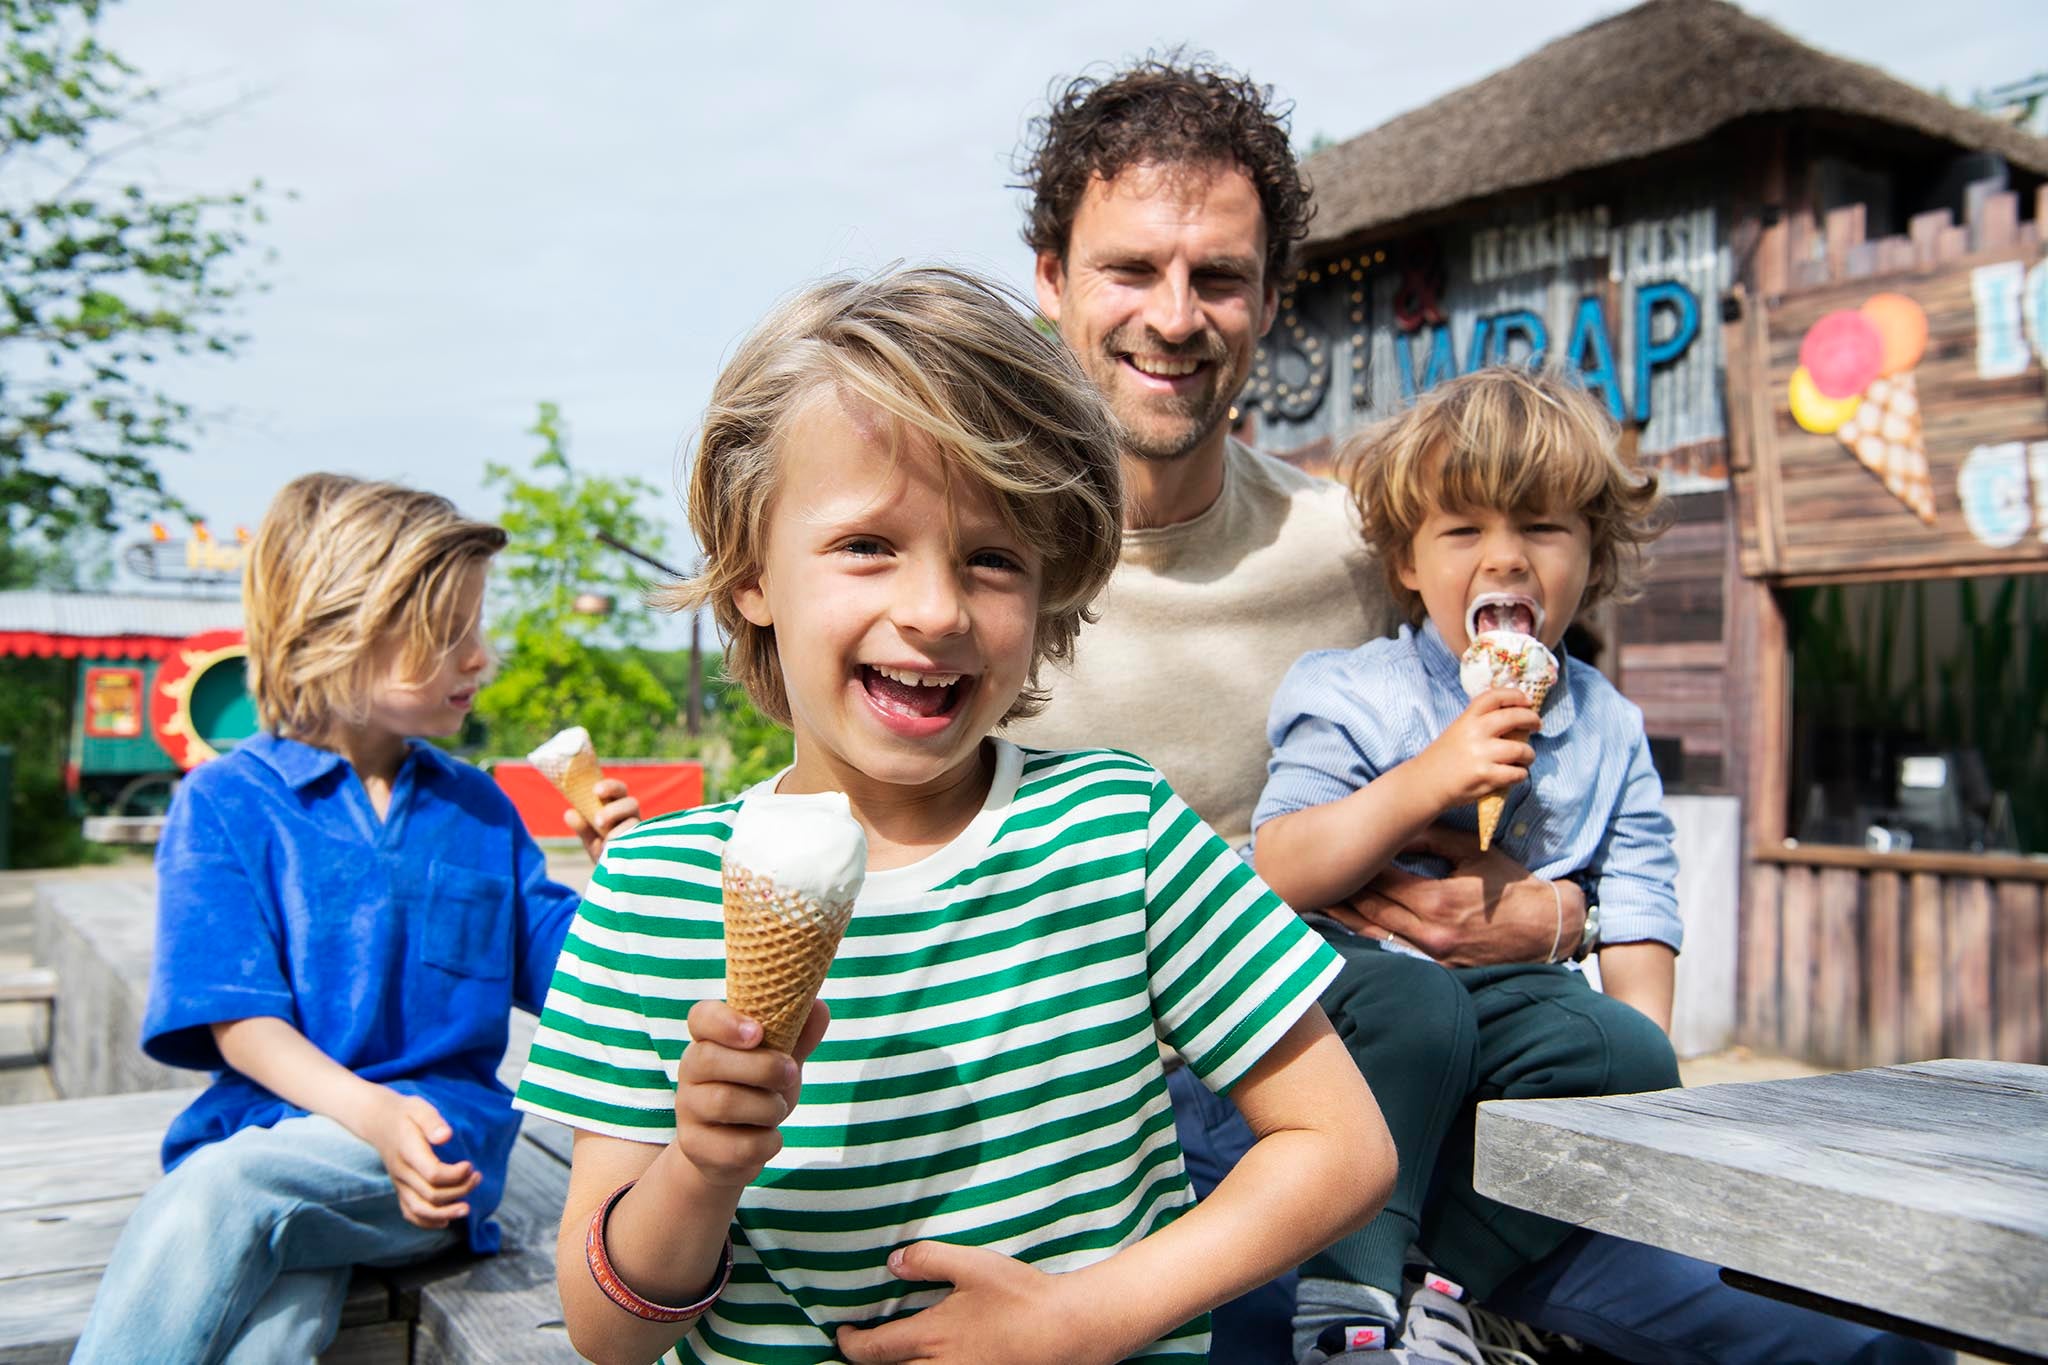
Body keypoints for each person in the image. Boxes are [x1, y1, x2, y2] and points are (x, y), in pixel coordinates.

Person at [1006, 54, 1950, 1365]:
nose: (1176, 316)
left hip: (1436, 1067)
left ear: (1272, 300)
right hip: (1154, 1111)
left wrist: (1548, 912)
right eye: (1131, 268)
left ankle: (1445, 1291)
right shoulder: (975, 565)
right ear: (1050, 278)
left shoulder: (1367, 540)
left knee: (1872, 1342)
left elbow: (1573, 752)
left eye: (1218, 276)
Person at [512, 265, 1395, 1365]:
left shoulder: (1118, 834)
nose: (932, 611)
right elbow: (604, 1332)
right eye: (866, 545)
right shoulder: (648, 892)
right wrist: (700, 1166)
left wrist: (1089, 1318)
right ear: (749, 571)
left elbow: (1340, 1146)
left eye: (991, 559)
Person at [72, 474, 642, 1363]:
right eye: (447, 634)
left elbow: (581, 978)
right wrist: (365, 1112)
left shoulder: (479, 809)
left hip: (433, 1153)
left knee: (225, 1197)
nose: (478, 657)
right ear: (338, 630)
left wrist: (627, 883)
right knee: (271, 1331)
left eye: (476, 628)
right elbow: (240, 1021)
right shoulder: (222, 803)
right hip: (273, 1141)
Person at [1251, 365, 1683, 1360]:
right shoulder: (1358, 691)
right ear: (1406, 561)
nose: (1506, 559)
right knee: (1418, 1008)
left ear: (1591, 555)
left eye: (1541, 527)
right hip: (1349, 992)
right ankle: (1346, 1303)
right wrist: (1426, 777)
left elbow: (1639, 892)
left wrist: (1643, 1069)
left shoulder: (1609, 725)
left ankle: (1443, 1286)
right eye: (1463, 531)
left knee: (1624, 1052)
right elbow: (1275, 863)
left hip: (1503, 1002)